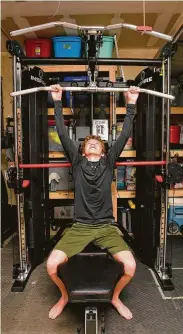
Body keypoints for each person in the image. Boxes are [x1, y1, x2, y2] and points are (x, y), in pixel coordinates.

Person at [47, 85, 140, 321]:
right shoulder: (77, 163)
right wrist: (56, 100)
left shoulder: (109, 163)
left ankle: (115, 297)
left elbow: (124, 133)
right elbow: (61, 131)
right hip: (79, 227)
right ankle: (65, 296)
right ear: (82, 149)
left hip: (106, 227)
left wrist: (132, 102)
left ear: (103, 149)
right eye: (88, 142)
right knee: (51, 266)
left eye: (96, 143)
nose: (92, 143)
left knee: (130, 267)